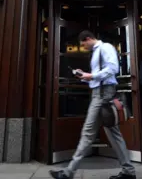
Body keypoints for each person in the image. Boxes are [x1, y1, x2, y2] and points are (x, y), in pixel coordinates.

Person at [50, 30, 136, 179]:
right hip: (100, 93)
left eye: (83, 44)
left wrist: (93, 75)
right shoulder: (97, 52)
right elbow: (98, 76)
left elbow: (113, 69)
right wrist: (85, 76)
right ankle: (128, 171)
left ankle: (68, 173)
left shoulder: (105, 48)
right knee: (114, 135)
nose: (84, 47)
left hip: (102, 95)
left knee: (88, 133)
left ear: (88, 39)